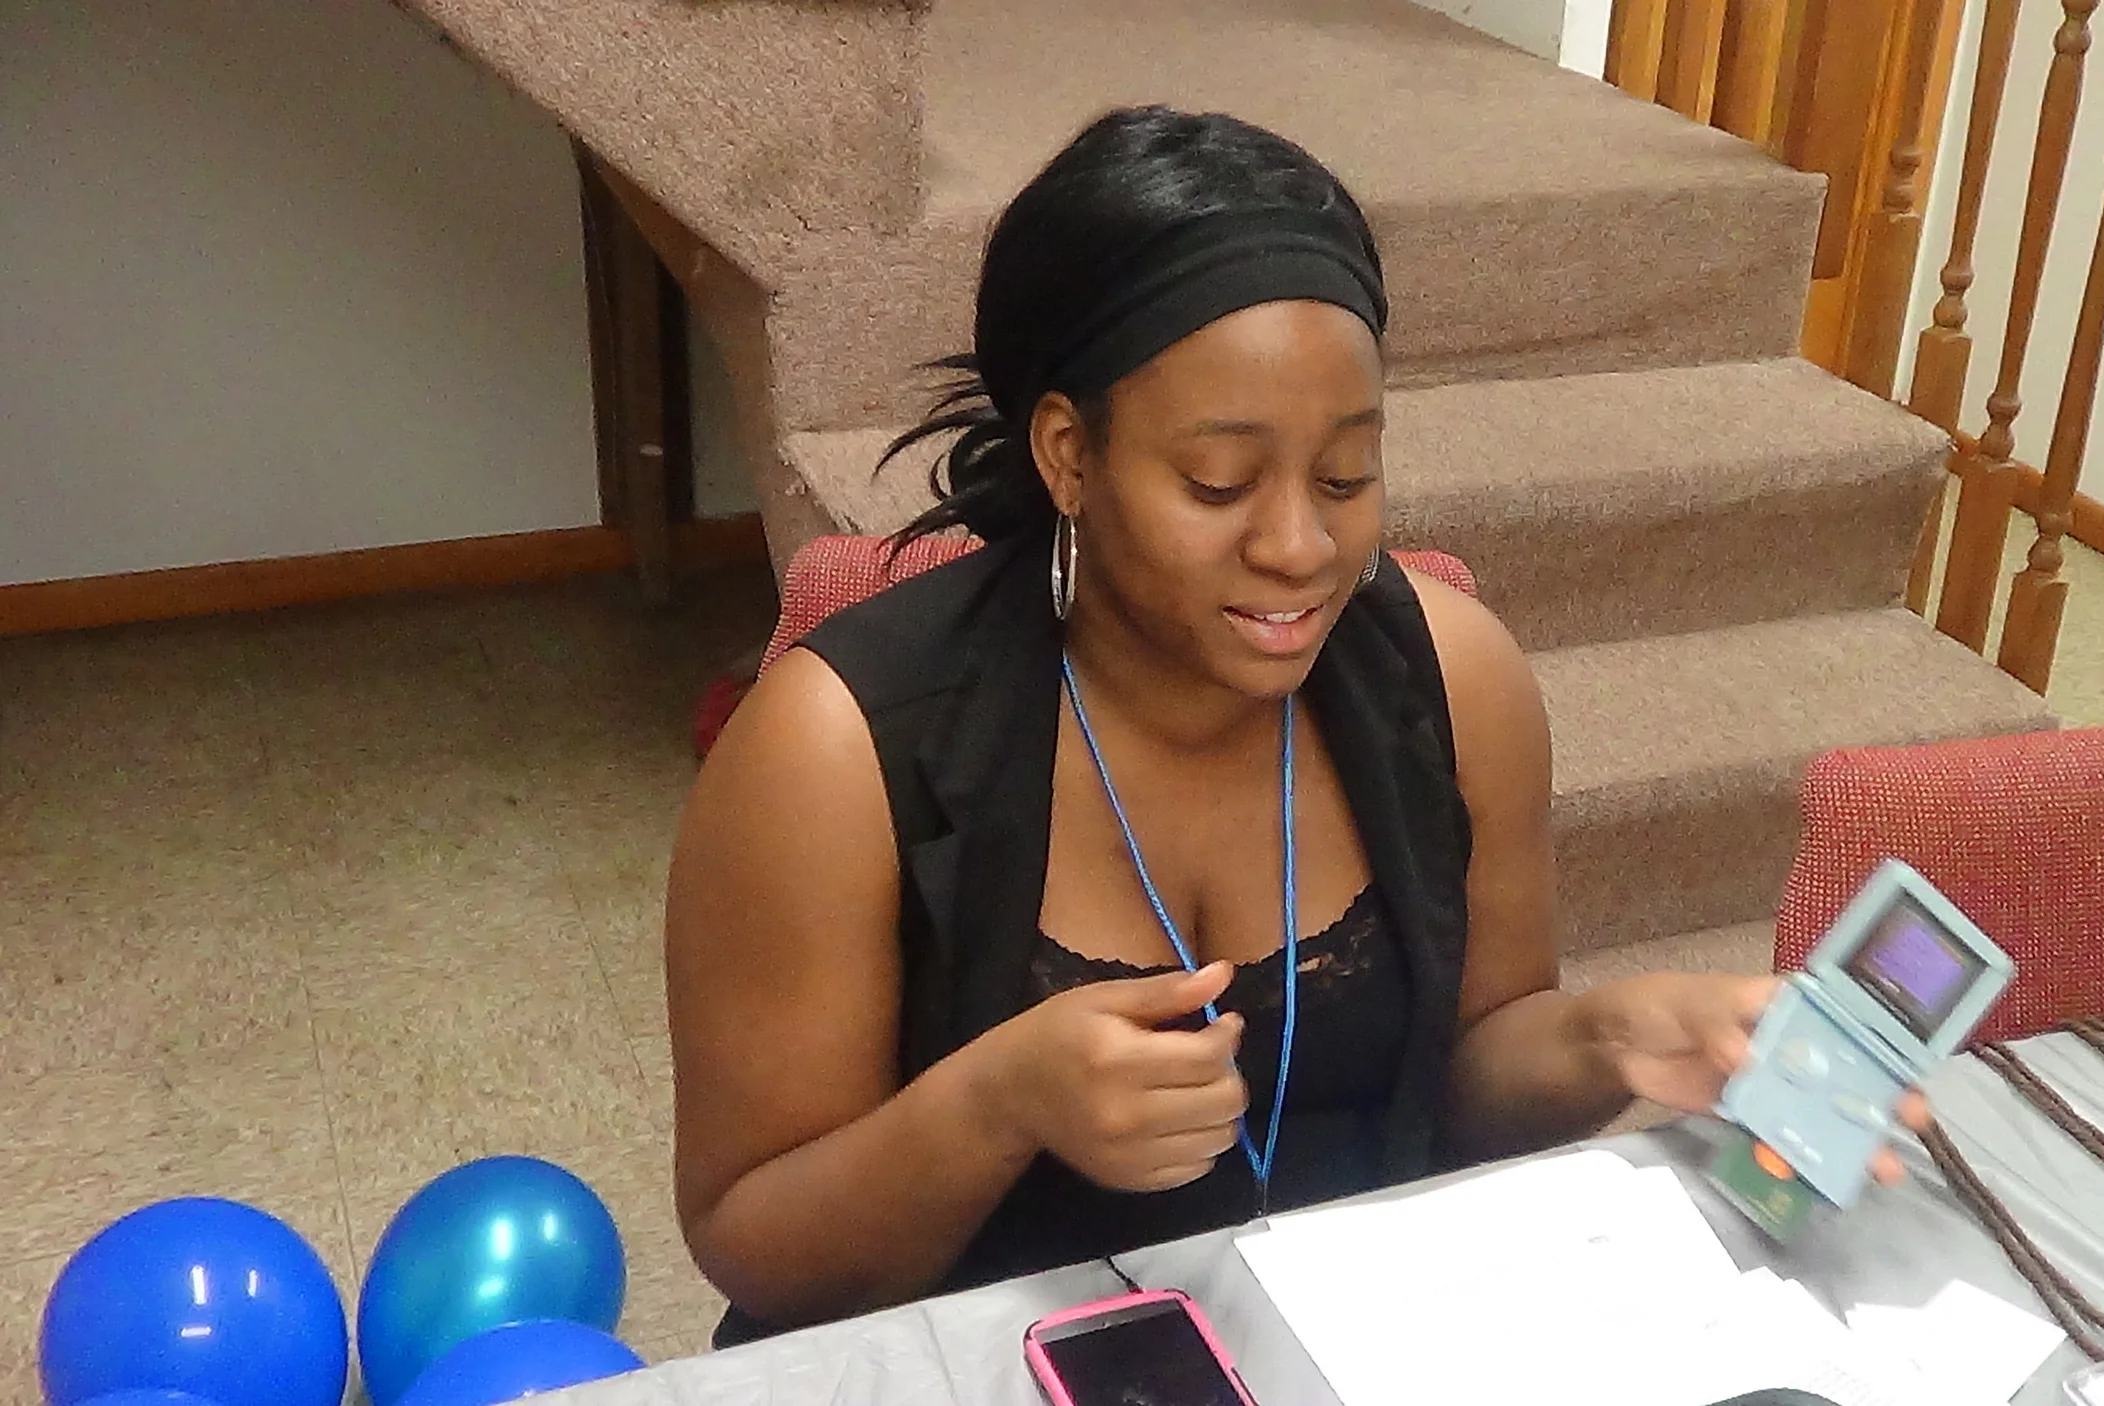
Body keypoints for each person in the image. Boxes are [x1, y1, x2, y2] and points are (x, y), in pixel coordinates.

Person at [666, 106, 1918, 1348]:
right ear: (1067, 455)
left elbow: (1461, 1089)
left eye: (1344, 476)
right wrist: (997, 1103)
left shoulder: (1454, 678)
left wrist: (1613, 1035)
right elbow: (757, 1245)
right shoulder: (834, 750)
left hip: (1349, 1341)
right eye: (1217, 483)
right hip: (981, 1359)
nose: (1300, 547)